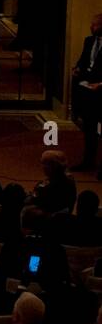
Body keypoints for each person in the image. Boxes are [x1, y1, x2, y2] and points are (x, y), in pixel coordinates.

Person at [69, 12, 102, 178]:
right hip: (87, 89)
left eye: (95, 25)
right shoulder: (89, 41)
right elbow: (83, 61)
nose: (91, 27)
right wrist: (77, 69)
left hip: (101, 90)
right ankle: (88, 160)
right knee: (89, 128)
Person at [29, 150, 77, 216]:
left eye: (44, 164)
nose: (42, 167)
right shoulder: (70, 179)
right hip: (65, 212)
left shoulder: (45, 187)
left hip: (51, 217)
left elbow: (33, 199)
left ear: (52, 166)